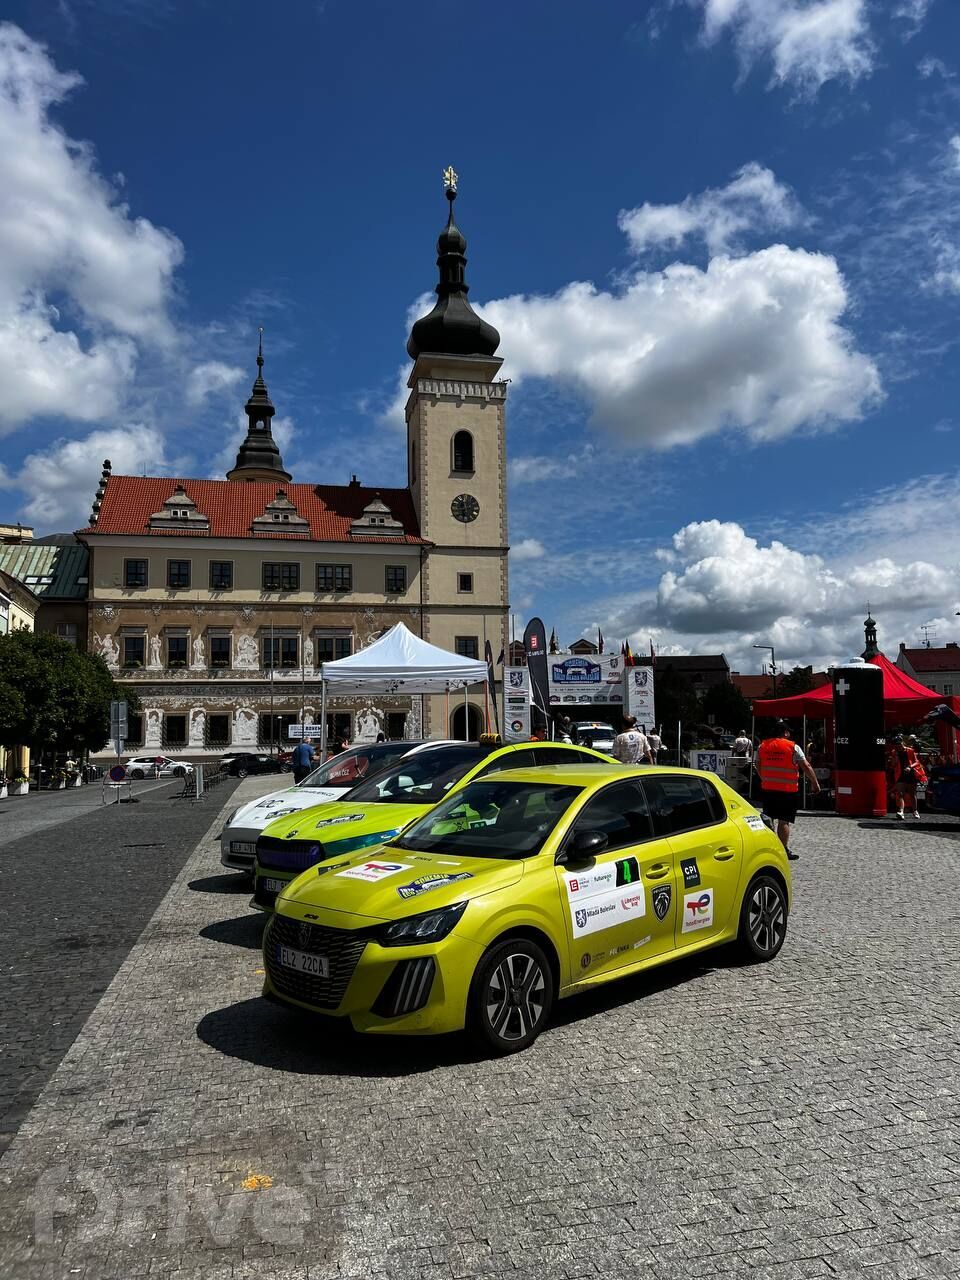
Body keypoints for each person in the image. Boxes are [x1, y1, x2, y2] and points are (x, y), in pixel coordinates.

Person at [756, 721, 820, 861]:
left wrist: (765, 778)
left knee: (768, 819)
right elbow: (806, 766)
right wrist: (815, 783)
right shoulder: (793, 747)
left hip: (768, 789)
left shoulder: (762, 746)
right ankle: (783, 849)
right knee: (784, 821)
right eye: (788, 731)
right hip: (787, 790)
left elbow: (757, 764)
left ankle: (769, 847)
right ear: (785, 732)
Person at [888, 734, 926, 819]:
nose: (899, 746)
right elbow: (893, 765)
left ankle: (915, 810)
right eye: (897, 745)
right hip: (900, 774)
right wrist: (895, 758)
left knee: (912, 794)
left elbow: (917, 762)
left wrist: (910, 767)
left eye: (900, 744)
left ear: (903, 743)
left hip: (911, 774)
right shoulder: (894, 752)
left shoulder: (910, 751)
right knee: (900, 793)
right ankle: (901, 811)